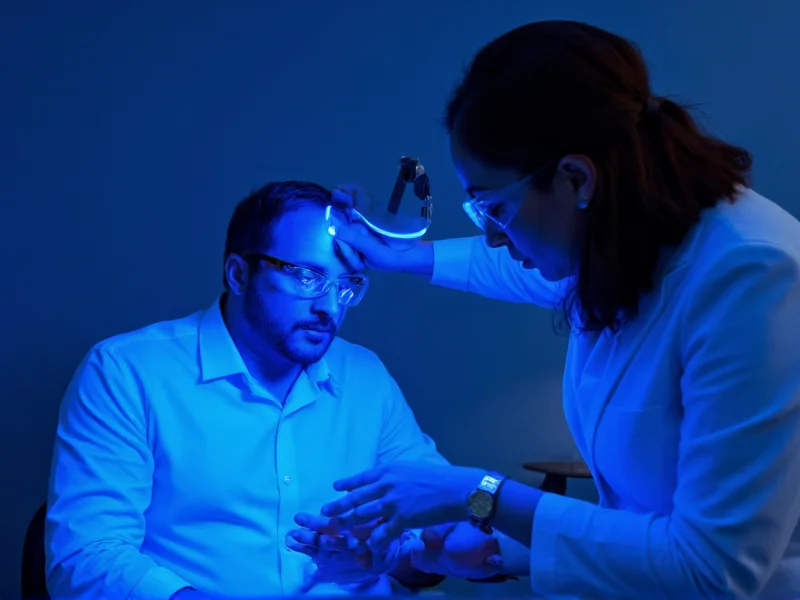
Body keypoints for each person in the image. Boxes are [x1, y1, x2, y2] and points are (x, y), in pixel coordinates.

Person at [299, 20, 800, 600]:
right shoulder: (627, 237)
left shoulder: (749, 277)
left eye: (493, 208)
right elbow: (515, 264)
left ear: (575, 177)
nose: (490, 236)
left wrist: (477, 492)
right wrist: (482, 550)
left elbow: (710, 572)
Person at [44, 180, 506, 599]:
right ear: (238, 274)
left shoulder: (365, 375)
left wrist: (421, 556)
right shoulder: (127, 371)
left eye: (347, 285)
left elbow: (433, 531)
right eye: (307, 277)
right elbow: (86, 557)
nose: (329, 307)